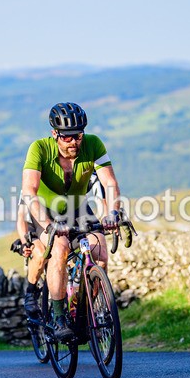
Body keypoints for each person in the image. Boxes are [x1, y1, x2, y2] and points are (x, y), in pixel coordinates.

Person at [20, 102, 123, 341]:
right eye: (67, 138)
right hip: (46, 211)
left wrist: (112, 213)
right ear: (55, 134)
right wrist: (47, 225)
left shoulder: (94, 144)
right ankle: (59, 318)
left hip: (78, 207)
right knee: (60, 248)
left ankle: (86, 315)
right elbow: (29, 191)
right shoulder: (39, 149)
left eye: (77, 136)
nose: (73, 142)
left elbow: (110, 183)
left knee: (100, 252)